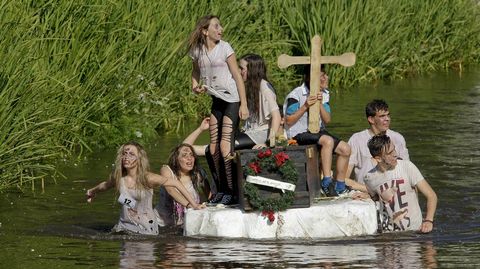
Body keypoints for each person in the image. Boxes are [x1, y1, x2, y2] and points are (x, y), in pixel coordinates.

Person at [188, 15, 249, 205]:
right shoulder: (197, 51)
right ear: (205, 31)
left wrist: (244, 104)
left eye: (220, 25)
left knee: (224, 146)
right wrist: (195, 85)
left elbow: (238, 77)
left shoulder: (225, 47)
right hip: (217, 99)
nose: (220, 29)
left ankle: (232, 190)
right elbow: (195, 71)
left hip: (232, 99)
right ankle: (221, 189)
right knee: (213, 147)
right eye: (216, 26)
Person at [86, 141, 204, 235]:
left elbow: (175, 184)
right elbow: (105, 185)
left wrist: (193, 205)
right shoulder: (119, 177)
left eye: (131, 154)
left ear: (139, 159)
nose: (126, 157)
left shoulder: (148, 178)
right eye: (124, 153)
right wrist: (92, 191)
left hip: (147, 230)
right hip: (124, 227)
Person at [283, 65, 351, 196]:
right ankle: (326, 182)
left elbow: (327, 120)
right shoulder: (296, 94)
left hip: (317, 131)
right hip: (298, 133)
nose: (326, 78)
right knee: (327, 141)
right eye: (322, 76)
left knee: (346, 149)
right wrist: (305, 106)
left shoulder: (324, 94)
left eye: (326, 75)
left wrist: (319, 104)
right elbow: (289, 120)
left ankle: (340, 185)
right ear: (310, 78)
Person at [364, 134, 437, 233]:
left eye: (394, 149)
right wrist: (366, 196)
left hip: (415, 231)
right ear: (378, 159)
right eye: (390, 153)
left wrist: (428, 220)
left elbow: (431, 195)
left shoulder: (407, 167)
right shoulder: (369, 178)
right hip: (389, 235)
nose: (395, 154)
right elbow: (376, 201)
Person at [347, 99, 409, 191]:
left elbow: (407, 172)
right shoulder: (356, 139)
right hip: (363, 190)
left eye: (388, 115)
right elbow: (344, 178)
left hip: (392, 190)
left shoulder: (398, 138)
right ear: (371, 119)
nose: (387, 119)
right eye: (382, 116)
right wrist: (370, 191)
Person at [156, 143, 211, 226]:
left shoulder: (198, 174)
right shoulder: (166, 170)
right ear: (176, 159)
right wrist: (190, 205)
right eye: (184, 155)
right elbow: (171, 190)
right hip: (162, 223)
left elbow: (209, 197)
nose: (189, 158)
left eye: (191, 155)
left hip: (186, 222)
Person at [236, 53, 281, 150]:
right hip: (249, 131)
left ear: (252, 70)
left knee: (229, 146)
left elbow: (276, 116)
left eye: (242, 68)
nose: (239, 71)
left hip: (262, 133)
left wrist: (269, 143)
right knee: (222, 144)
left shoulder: (265, 87)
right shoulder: (249, 86)